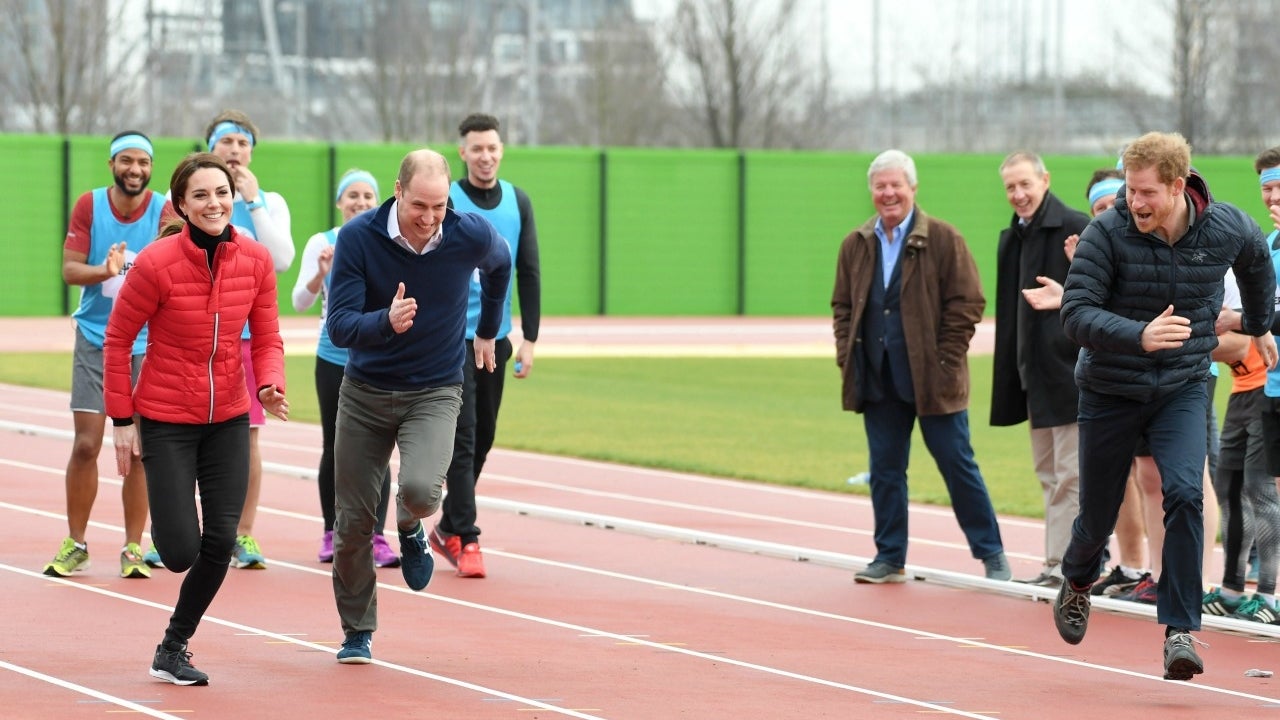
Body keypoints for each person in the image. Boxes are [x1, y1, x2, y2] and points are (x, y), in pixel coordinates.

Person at [1052, 132, 1277, 682]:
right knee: (1098, 515)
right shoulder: (1107, 233)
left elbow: (1256, 267)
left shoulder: (1227, 226)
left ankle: (1180, 629)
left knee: (1184, 493)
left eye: (1147, 192)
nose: (1136, 202)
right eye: (1130, 191)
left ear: (1179, 186)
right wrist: (1139, 335)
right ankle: (1078, 579)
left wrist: (1256, 322)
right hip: (1110, 388)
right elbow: (1075, 314)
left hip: (1181, 386)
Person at [104, 152, 288, 685]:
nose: (215, 203)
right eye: (201, 195)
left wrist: (269, 383)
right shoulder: (157, 264)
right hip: (165, 417)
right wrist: (121, 418)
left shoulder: (254, 260)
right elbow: (117, 341)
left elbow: (268, 335)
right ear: (181, 205)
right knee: (181, 550)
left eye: (222, 193)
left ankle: (173, 645)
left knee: (222, 539)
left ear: (234, 197)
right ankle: (170, 533)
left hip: (229, 414)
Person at [325, 149, 511, 664]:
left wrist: (488, 329)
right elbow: (339, 325)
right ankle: (357, 631)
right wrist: (384, 321)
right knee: (354, 523)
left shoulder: (467, 233)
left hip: (434, 389)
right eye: (419, 206)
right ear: (398, 191)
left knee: (422, 491)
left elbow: (501, 265)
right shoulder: (359, 238)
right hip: (364, 392)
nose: (429, 219)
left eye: (439, 206)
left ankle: (411, 527)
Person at [831, 149, 1010, 585]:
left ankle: (992, 554)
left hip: (935, 380)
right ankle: (889, 556)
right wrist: (846, 355)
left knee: (957, 464)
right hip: (877, 377)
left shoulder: (945, 239)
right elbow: (841, 305)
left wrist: (948, 359)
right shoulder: (857, 243)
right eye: (880, 186)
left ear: (913, 188)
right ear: (871, 191)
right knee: (885, 471)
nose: (888, 193)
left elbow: (968, 304)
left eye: (896, 185)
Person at [173, 109, 295, 571]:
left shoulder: (270, 201)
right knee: (181, 437)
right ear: (209, 148)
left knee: (247, 439)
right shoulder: (187, 201)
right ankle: (181, 529)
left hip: (242, 338)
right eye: (227, 142)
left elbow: (281, 258)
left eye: (244, 144)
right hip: (190, 336)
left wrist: (254, 199)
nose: (236, 151)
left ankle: (243, 533)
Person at [42, 131, 167, 580]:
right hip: (97, 337)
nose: (135, 169)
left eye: (143, 163)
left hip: (146, 343)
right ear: (113, 163)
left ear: (151, 168)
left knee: (137, 450)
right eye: (127, 161)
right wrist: (105, 271)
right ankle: (76, 542)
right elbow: (69, 269)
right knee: (87, 443)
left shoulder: (163, 209)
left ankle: (134, 547)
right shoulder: (90, 206)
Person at [430, 113, 542, 579]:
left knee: (486, 436)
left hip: (497, 338)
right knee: (464, 435)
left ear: (501, 150)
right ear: (463, 152)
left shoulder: (518, 201)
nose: (486, 155)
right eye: (477, 148)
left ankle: (447, 526)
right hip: (454, 338)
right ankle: (467, 537)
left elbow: (528, 270)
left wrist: (530, 338)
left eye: (492, 147)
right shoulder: (447, 199)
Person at [990, 151, 1090, 588]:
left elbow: (1102, 298)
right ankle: (1056, 565)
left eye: (1025, 184)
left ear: (1045, 179)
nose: (1018, 194)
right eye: (1011, 187)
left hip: (1071, 375)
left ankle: (1067, 568)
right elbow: (1011, 316)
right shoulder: (1012, 238)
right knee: (1049, 475)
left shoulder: (1078, 227)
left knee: (1071, 476)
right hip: (1034, 377)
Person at [292, 169, 399, 568]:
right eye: (352, 195)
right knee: (334, 446)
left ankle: (376, 536)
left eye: (368, 196)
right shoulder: (323, 242)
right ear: (340, 202)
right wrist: (322, 274)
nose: (360, 202)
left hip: (379, 356)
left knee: (380, 450)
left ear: (380, 201)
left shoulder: (391, 240)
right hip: (335, 356)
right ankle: (331, 531)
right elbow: (300, 302)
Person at [1202, 270, 1280, 624]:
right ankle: (1232, 591)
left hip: (1268, 387)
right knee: (1228, 487)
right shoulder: (1222, 275)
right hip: (1241, 390)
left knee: (1259, 489)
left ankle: (1268, 595)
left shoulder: (1249, 273)